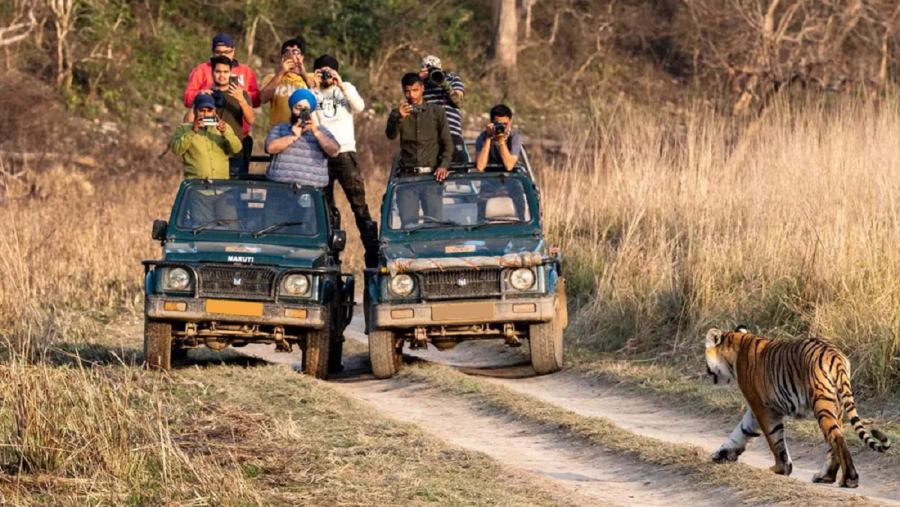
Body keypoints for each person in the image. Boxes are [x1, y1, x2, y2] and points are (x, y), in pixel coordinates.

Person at [311, 54, 376, 266]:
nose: (326, 76)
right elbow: (306, 113)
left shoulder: (345, 87)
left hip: (346, 152)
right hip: (321, 154)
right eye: (322, 71)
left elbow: (359, 107)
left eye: (330, 71)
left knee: (358, 204)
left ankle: (372, 251)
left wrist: (341, 84)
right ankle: (330, 254)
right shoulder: (313, 92)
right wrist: (313, 86)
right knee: (325, 206)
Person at [385, 73, 453, 227]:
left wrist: (444, 165)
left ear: (422, 89)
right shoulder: (398, 112)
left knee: (435, 226)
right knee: (408, 226)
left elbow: (448, 143)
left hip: (431, 178)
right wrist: (399, 119)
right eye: (407, 91)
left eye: (415, 90)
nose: (411, 95)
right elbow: (390, 135)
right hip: (407, 179)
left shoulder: (437, 112)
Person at [184, 56, 255, 178]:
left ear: (231, 73)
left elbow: (251, 120)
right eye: (218, 72)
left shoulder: (241, 94)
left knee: (234, 194)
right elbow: (186, 123)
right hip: (210, 154)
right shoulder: (205, 95)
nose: (222, 76)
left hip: (234, 153)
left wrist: (241, 99)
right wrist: (197, 101)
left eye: (225, 72)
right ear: (212, 73)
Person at [183, 33, 260, 138]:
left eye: (226, 52)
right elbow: (187, 98)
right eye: (218, 52)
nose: (223, 55)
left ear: (233, 51)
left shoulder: (246, 71)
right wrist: (202, 95)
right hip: (207, 133)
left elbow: (256, 101)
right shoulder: (201, 70)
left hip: (238, 133)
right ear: (213, 52)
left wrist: (240, 97)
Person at [265, 89, 340, 189]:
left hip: (311, 191)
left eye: (305, 109)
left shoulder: (321, 131)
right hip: (280, 188)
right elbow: (270, 148)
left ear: (311, 111)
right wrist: (292, 137)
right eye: (298, 107)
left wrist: (316, 132)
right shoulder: (280, 128)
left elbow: (334, 151)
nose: (301, 112)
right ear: (292, 109)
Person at [171, 94, 242, 180]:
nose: (205, 114)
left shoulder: (224, 127)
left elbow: (236, 149)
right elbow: (176, 150)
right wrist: (193, 131)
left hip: (220, 187)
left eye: (209, 110)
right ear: (194, 111)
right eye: (202, 110)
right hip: (196, 187)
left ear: (214, 111)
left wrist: (225, 132)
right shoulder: (183, 128)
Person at [419, 55, 467, 163]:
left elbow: (459, 102)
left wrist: (444, 83)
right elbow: (412, 99)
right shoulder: (420, 85)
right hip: (429, 136)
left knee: (457, 166)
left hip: (451, 133)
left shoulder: (453, 79)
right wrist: (419, 79)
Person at [260, 38, 316, 128]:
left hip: (305, 129)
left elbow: (322, 98)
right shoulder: (271, 78)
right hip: (279, 131)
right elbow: (263, 99)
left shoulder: (312, 77)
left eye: (295, 52)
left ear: (302, 57)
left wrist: (303, 74)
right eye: (287, 52)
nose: (291, 55)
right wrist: (281, 73)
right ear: (282, 57)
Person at [475, 104, 522, 171]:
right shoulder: (483, 137)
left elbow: (509, 166)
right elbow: (480, 167)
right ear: (492, 123)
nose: (501, 128)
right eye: (498, 124)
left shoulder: (514, 137)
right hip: (490, 178)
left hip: (511, 179)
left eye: (505, 124)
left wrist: (501, 140)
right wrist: (488, 138)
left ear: (510, 122)